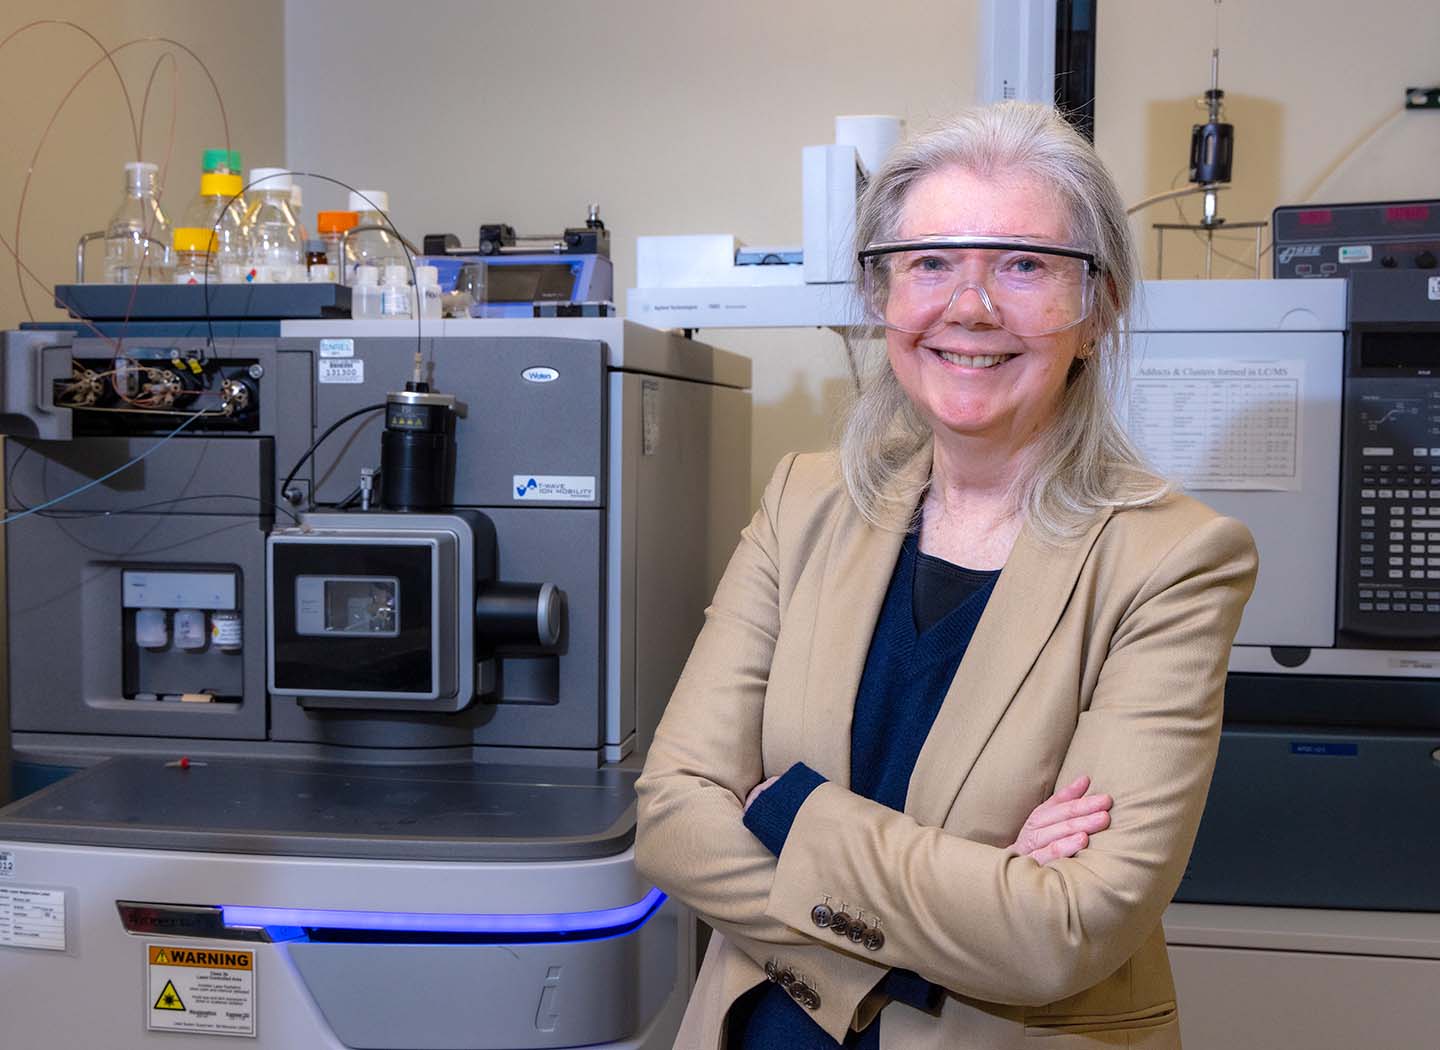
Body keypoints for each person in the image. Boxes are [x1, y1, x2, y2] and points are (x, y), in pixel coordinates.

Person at [635, 101, 1258, 1050]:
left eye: (1022, 264)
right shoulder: (804, 503)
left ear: (1097, 310)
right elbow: (675, 818)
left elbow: (1064, 931)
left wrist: (788, 814)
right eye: (929, 262)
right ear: (884, 295)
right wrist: (980, 889)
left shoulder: (1172, 559)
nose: (968, 308)